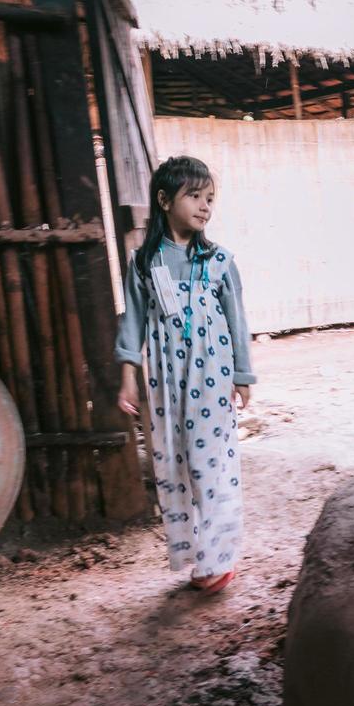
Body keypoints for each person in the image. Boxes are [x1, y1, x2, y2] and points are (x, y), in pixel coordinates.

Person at [115, 155, 255, 593]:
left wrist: (243, 375)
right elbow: (133, 323)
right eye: (194, 196)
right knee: (175, 464)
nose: (204, 206)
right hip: (164, 381)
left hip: (211, 376)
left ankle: (219, 559)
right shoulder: (144, 263)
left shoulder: (218, 261)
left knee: (211, 465)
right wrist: (128, 377)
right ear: (164, 200)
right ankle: (197, 555)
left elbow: (237, 319)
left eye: (209, 198)